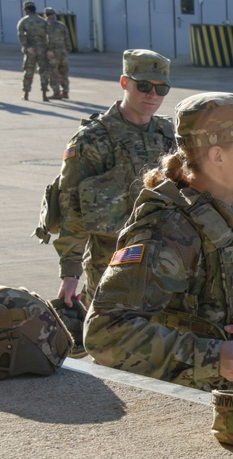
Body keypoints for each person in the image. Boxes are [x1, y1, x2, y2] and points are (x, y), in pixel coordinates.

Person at [84, 92, 233, 392]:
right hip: (175, 409)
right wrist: (213, 355)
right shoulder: (168, 229)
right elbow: (104, 333)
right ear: (217, 155)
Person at [52, 50, 176, 309]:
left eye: (160, 88)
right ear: (124, 83)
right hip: (110, 258)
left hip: (165, 256)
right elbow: (71, 206)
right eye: (143, 86)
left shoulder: (170, 136)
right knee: (112, 338)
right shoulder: (94, 139)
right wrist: (70, 272)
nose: (152, 95)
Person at [17, 0, 49, 102]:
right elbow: (49, 36)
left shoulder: (24, 21)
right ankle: (44, 94)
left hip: (31, 50)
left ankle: (26, 93)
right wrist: (47, 49)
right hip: (42, 49)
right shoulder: (43, 21)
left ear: (26, 9)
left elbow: (21, 36)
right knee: (43, 71)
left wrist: (27, 47)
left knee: (28, 71)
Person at [43, 7, 72, 100]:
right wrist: (67, 50)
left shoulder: (44, 25)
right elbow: (67, 39)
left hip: (52, 53)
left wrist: (47, 50)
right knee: (64, 73)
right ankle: (65, 91)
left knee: (53, 73)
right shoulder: (61, 25)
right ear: (54, 14)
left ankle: (56, 92)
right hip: (63, 52)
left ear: (45, 15)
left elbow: (43, 40)